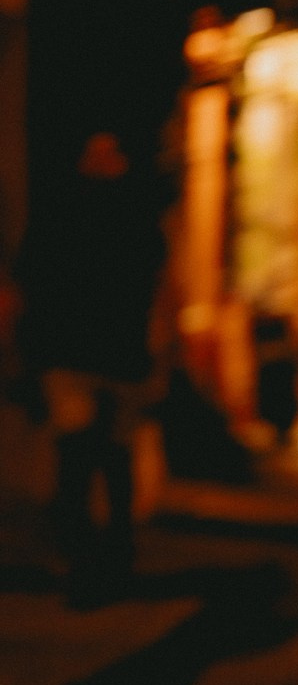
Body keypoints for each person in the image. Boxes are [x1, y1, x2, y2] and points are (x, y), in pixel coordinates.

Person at [17, 128, 166, 607]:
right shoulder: (123, 215)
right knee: (92, 452)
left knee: (97, 453)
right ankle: (96, 556)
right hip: (90, 355)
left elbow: (33, 277)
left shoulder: (99, 214)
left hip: (104, 356)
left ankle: (103, 553)